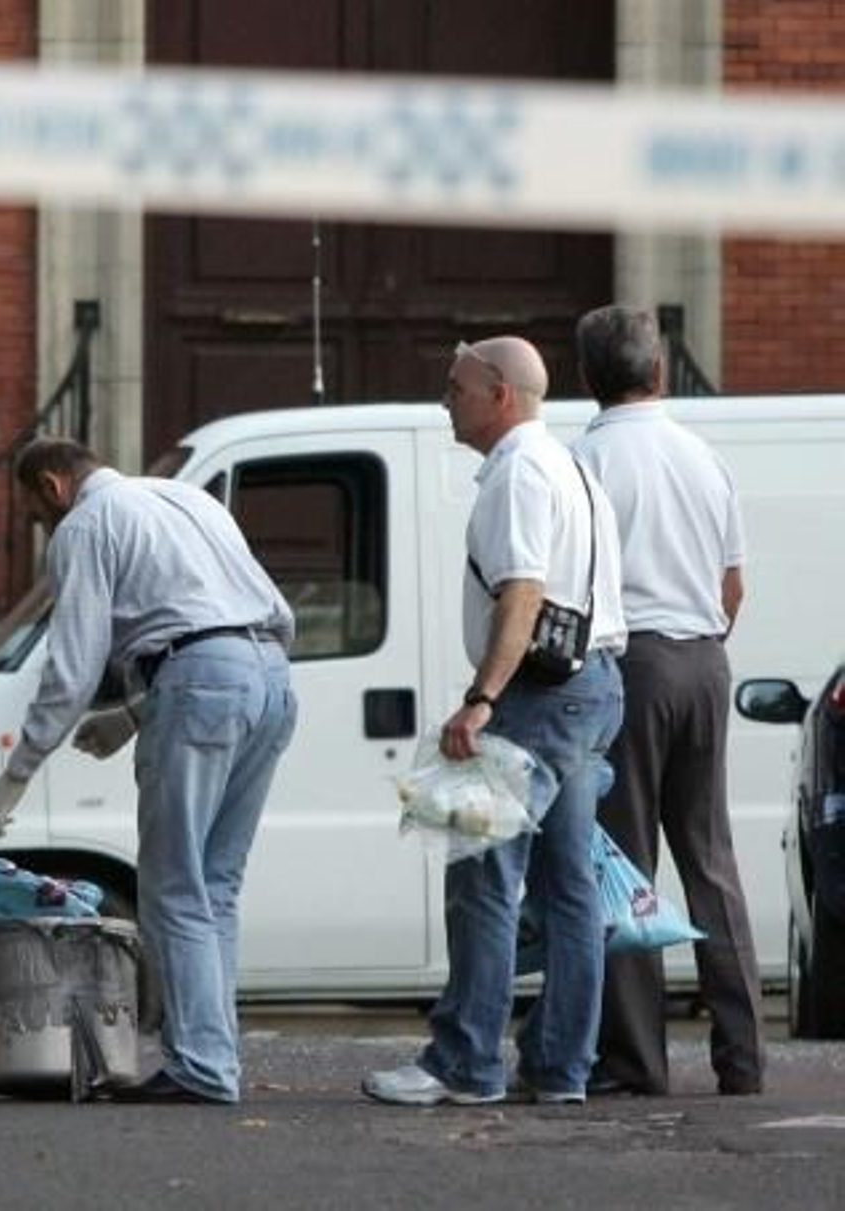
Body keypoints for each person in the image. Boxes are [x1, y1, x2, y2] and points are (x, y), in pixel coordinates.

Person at [0, 437, 297, 1105]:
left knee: (175, 883)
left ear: (52, 484)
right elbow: (234, 617)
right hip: (271, 675)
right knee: (216, 884)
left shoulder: (87, 524)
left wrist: (20, 766)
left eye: (38, 512)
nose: (45, 527)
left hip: (199, 683)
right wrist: (137, 711)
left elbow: (71, 668)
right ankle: (214, 1055)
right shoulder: (188, 498)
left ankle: (201, 1067)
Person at [364, 336, 626, 1107]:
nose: (447, 398)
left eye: (457, 386)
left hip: (536, 697)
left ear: (500, 395)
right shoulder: (573, 467)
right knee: (569, 885)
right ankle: (559, 1067)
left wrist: (480, 698)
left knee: (479, 871)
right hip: (594, 681)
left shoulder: (515, 472)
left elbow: (521, 594)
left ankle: (466, 1063)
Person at [572, 305, 765, 1097]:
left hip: (633, 664)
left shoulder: (584, 460)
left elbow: (573, 585)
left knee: (624, 865)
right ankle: (743, 1058)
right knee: (710, 860)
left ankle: (637, 1059)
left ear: (589, 378)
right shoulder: (704, 456)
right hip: (704, 660)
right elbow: (733, 585)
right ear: (657, 370)